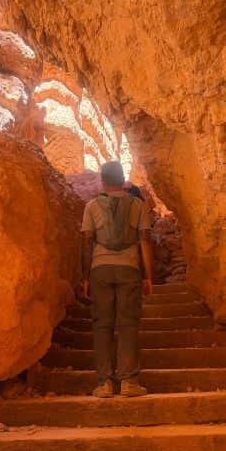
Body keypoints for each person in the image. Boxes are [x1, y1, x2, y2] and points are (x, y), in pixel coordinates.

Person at [80, 162, 154, 397]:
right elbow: (145, 242)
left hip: (100, 269)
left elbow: (85, 244)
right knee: (128, 324)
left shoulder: (91, 206)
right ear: (123, 180)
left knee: (102, 325)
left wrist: (85, 277)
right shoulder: (138, 205)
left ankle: (104, 383)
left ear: (103, 181)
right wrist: (148, 276)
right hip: (129, 269)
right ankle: (129, 382)